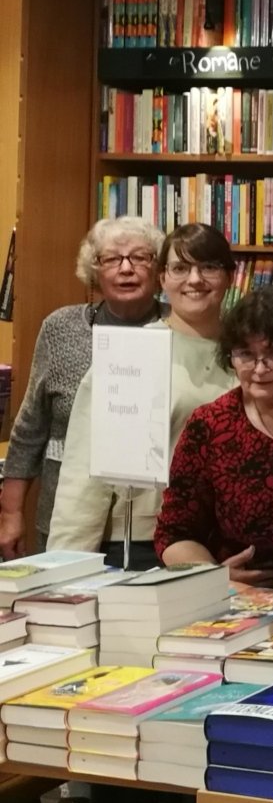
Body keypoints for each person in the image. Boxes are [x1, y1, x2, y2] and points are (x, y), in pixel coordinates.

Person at [48, 224, 237, 568]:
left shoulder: (247, 354)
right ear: (162, 279)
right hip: (140, 543)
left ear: (230, 277)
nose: (195, 280)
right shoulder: (130, 354)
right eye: (180, 268)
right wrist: (65, 572)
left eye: (209, 267)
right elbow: (84, 474)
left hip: (226, 543)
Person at [0, 218, 165, 558]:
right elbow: (31, 428)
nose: (126, 269)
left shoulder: (179, 328)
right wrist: (11, 513)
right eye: (111, 259)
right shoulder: (60, 328)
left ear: (159, 268)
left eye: (139, 258)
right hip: (65, 518)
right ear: (94, 270)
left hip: (154, 527)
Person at [154, 288, 273, 585]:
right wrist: (214, 578)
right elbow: (175, 532)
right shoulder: (210, 425)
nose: (259, 368)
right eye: (245, 354)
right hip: (239, 596)